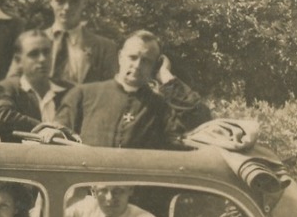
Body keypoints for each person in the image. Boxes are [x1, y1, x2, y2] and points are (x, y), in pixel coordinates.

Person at [57, 31, 212, 149]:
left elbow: (200, 118)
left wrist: (166, 76)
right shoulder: (83, 95)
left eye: (146, 61)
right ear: (120, 57)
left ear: (154, 66)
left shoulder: (160, 107)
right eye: (132, 57)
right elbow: (56, 138)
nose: (137, 66)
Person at [0, 30, 73, 137]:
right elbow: (0, 117)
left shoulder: (68, 90)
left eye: (46, 52)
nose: (42, 59)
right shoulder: (10, 88)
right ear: (18, 61)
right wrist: (44, 128)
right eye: (34, 54)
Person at [44, 0, 120, 86]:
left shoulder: (104, 48)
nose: (67, 8)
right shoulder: (30, 43)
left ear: (84, 2)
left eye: (74, 1)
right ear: (50, 2)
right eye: (60, 1)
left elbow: (110, 94)